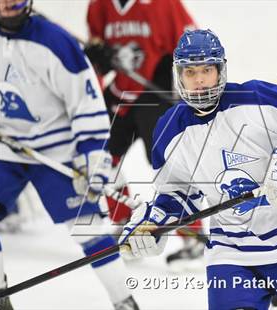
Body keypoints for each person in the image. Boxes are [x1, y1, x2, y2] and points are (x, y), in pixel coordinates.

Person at [119, 29, 277, 310]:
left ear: (220, 71)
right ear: (179, 75)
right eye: (190, 72)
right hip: (234, 253)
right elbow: (178, 193)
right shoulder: (168, 130)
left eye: (207, 70)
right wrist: (156, 220)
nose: (199, 80)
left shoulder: (255, 97)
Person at [0, 1, 139, 309]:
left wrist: (93, 157)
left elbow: (86, 102)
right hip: (5, 148)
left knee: (88, 226)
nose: (7, 5)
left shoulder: (55, 41)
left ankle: (124, 301)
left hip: (56, 149)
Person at [85, 0, 203, 267]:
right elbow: (95, 52)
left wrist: (173, 78)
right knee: (102, 157)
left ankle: (192, 234)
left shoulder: (164, 4)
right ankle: (125, 220)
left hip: (155, 95)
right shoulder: (99, 4)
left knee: (171, 165)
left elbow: (193, 46)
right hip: (120, 96)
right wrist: (97, 58)